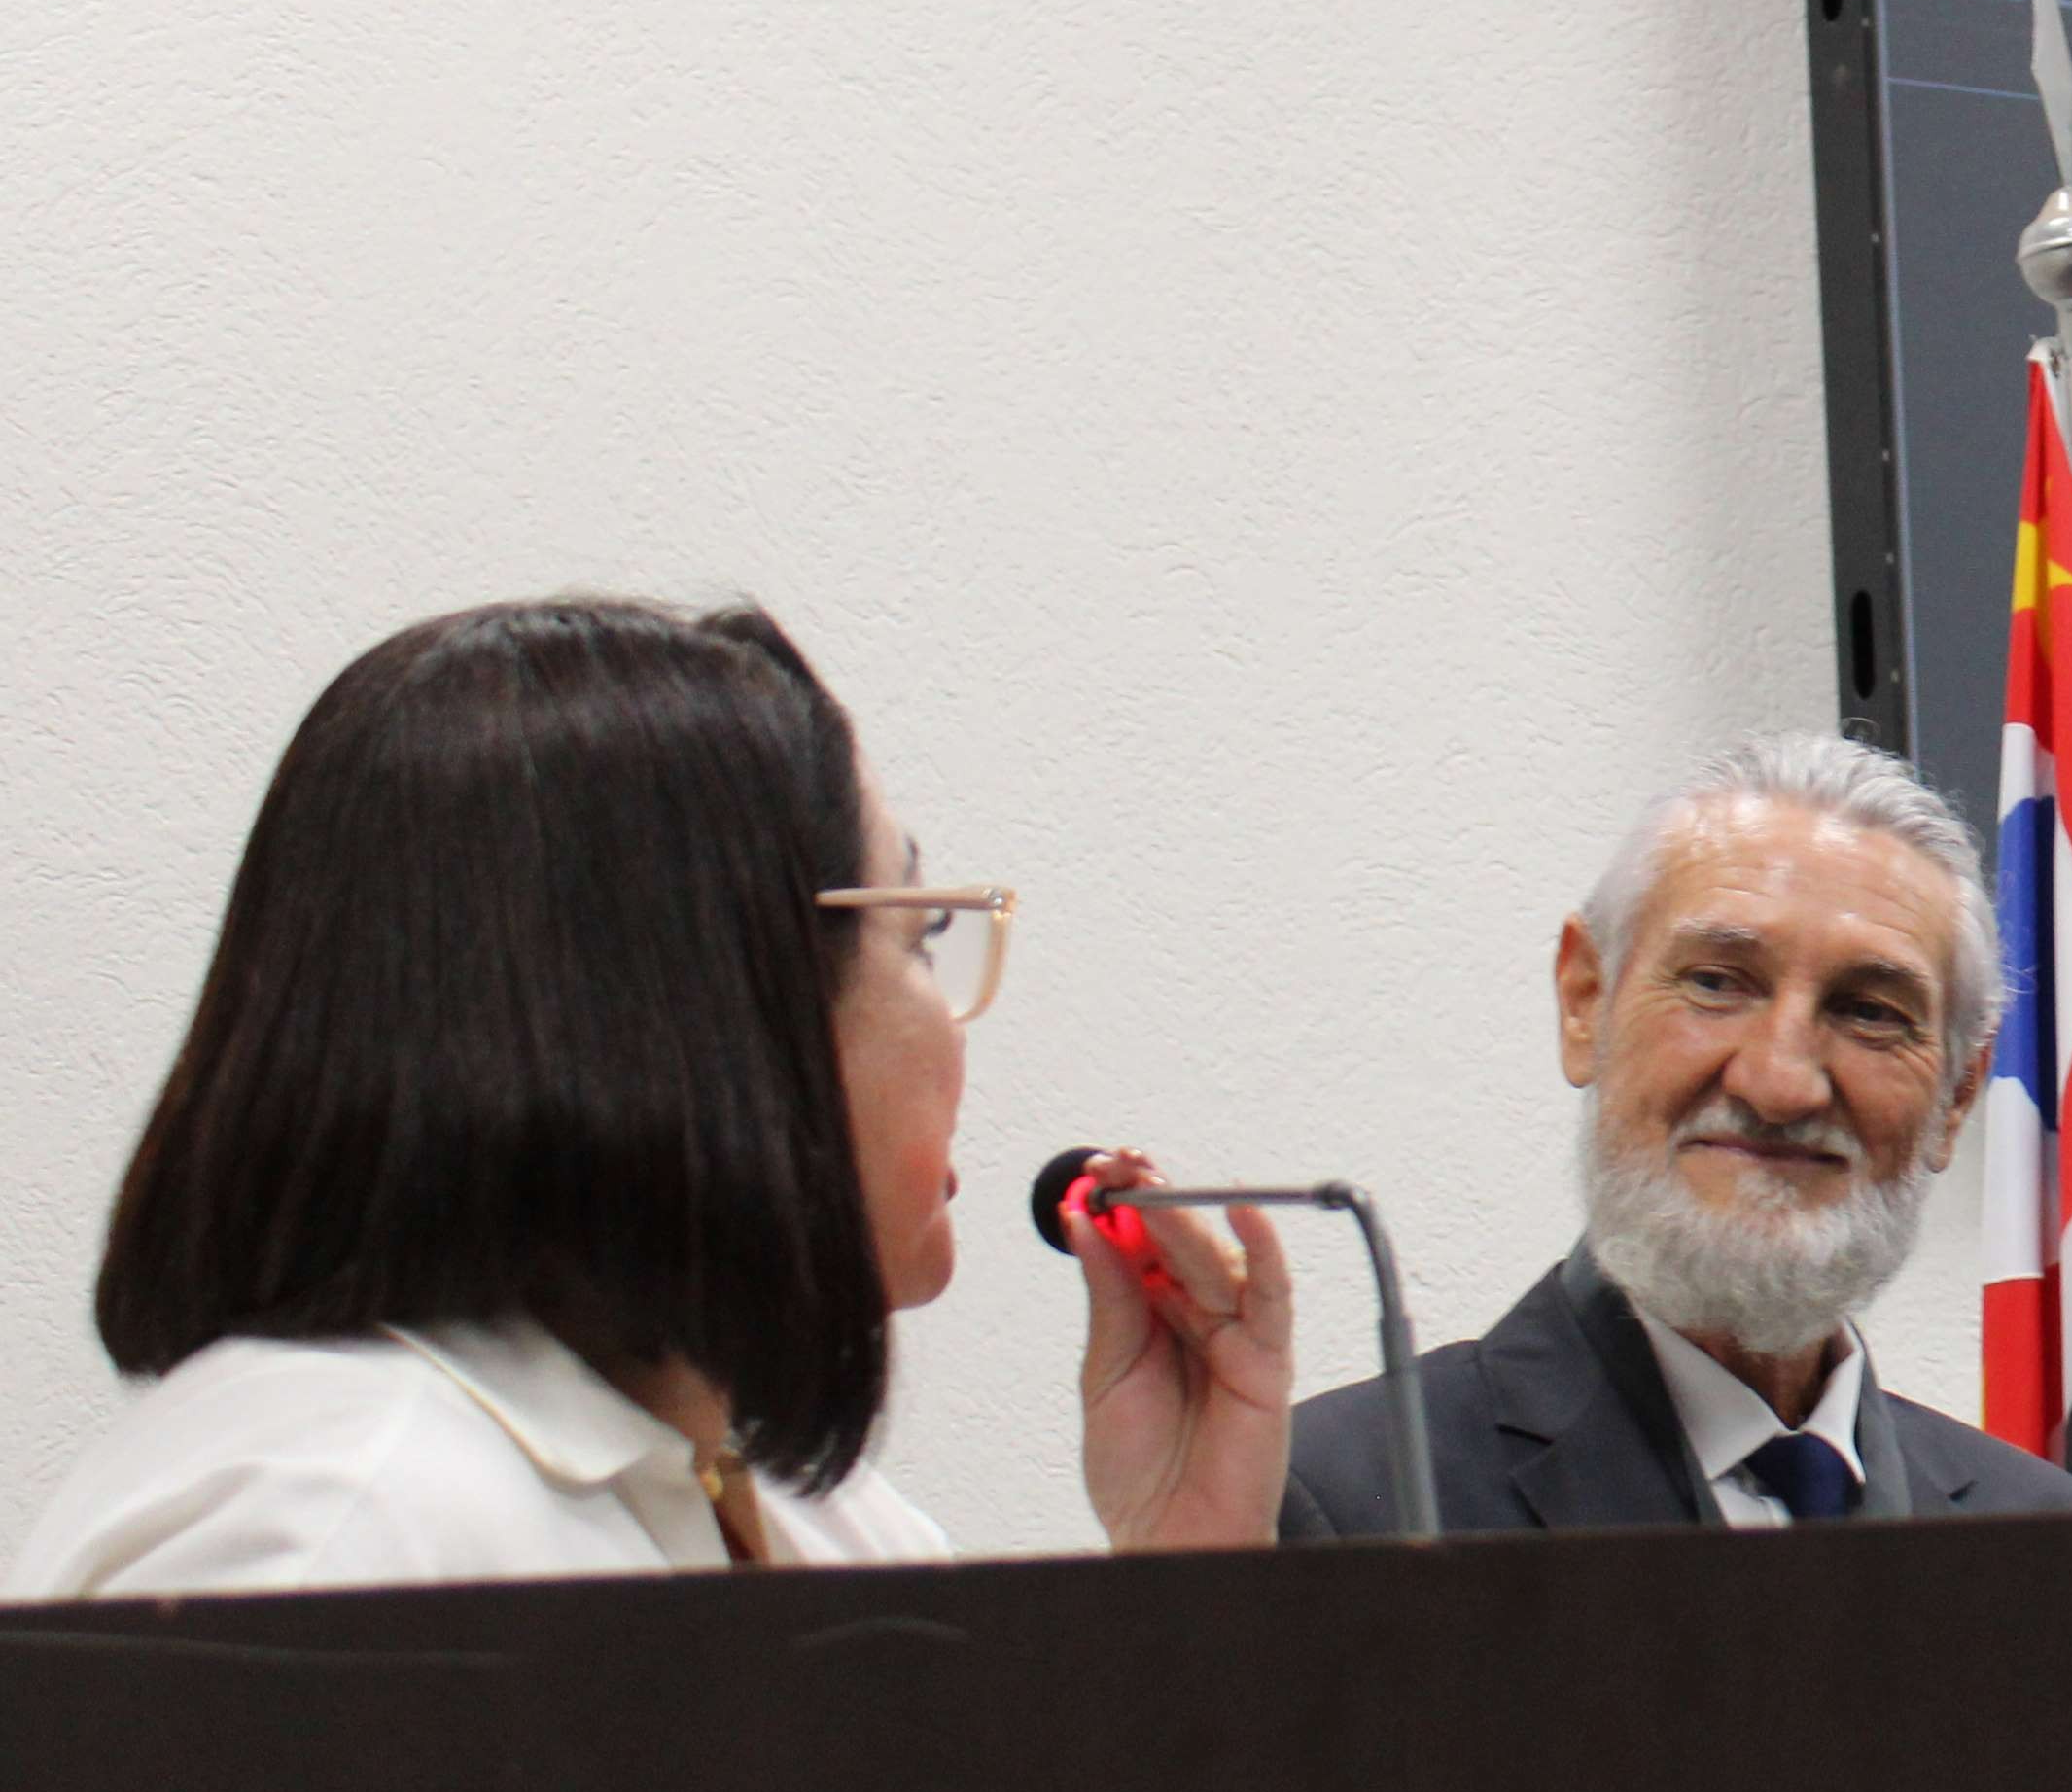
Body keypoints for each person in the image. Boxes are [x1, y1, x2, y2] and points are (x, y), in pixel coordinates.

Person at [15, 597, 1289, 1593]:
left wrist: (1185, 1574)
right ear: (705, 1001)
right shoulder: (326, 1528)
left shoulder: (818, 1519)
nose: (956, 1031)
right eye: (916, 936)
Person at [1279, 734, 2072, 1533]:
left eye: (1870, 1013)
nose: (1780, 1084)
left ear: (1957, 1095)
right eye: (1716, 983)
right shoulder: (1340, 1510)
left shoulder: (2063, 1553)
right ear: (1585, 1002)